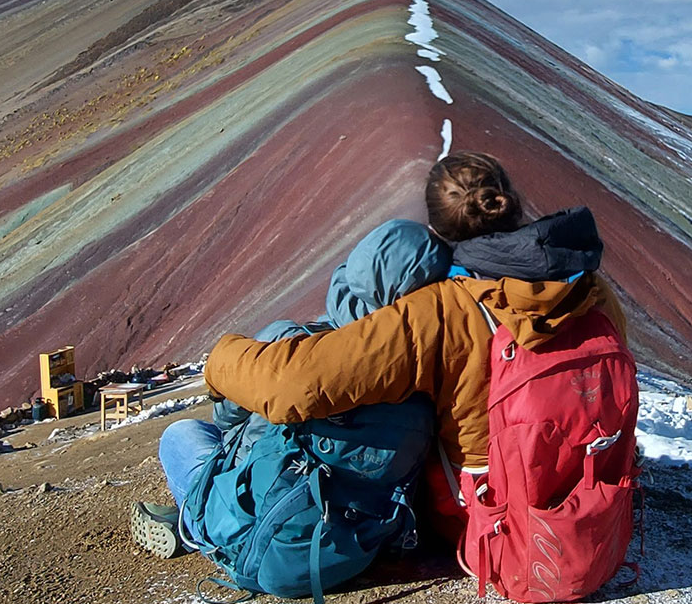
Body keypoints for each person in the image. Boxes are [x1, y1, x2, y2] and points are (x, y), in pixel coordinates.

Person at [202, 151, 628, 544]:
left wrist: (218, 361)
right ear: (511, 202)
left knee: (188, 439)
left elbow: (293, 385)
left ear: (437, 230)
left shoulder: (442, 309)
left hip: (489, 524)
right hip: (589, 499)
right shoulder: (592, 291)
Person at [130, 217, 451, 559]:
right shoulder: (427, 367)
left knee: (183, 433)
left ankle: (195, 527)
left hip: (266, 527)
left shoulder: (287, 345)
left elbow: (227, 420)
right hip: (364, 537)